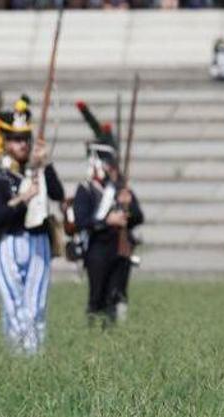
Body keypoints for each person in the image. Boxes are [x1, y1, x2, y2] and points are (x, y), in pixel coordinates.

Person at [0, 96, 64, 354]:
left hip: (38, 241)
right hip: (9, 242)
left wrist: (45, 162)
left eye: (25, 139)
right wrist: (22, 199)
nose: (22, 144)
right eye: (17, 140)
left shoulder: (38, 171)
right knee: (13, 304)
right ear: (6, 142)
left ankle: (32, 357)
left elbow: (58, 194)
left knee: (35, 304)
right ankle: (18, 355)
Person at [72, 101, 144, 325]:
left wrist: (128, 205)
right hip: (97, 249)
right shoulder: (85, 190)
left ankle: (113, 334)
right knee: (97, 299)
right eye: (106, 162)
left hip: (120, 250)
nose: (110, 167)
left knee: (117, 297)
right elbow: (82, 221)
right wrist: (105, 220)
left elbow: (138, 218)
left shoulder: (120, 188)